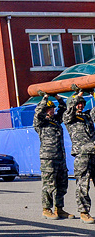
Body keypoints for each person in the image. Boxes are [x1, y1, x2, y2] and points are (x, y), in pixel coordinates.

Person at [34, 91, 70, 220]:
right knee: (49, 185)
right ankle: (46, 209)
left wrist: (57, 97)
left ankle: (59, 209)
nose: (52, 111)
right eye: (49, 109)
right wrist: (44, 98)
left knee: (62, 184)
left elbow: (63, 108)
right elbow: (37, 112)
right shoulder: (40, 123)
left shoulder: (56, 121)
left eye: (52, 109)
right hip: (48, 158)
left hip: (60, 157)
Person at [63, 86, 95, 224]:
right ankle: (84, 212)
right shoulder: (69, 117)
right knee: (83, 184)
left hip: (94, 153)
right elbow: (69, 109)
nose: (80, 105)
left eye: (82, 103)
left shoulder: (87, 116)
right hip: (82, 155)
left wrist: (93, 93)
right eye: (78, 103)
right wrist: (79, 93)